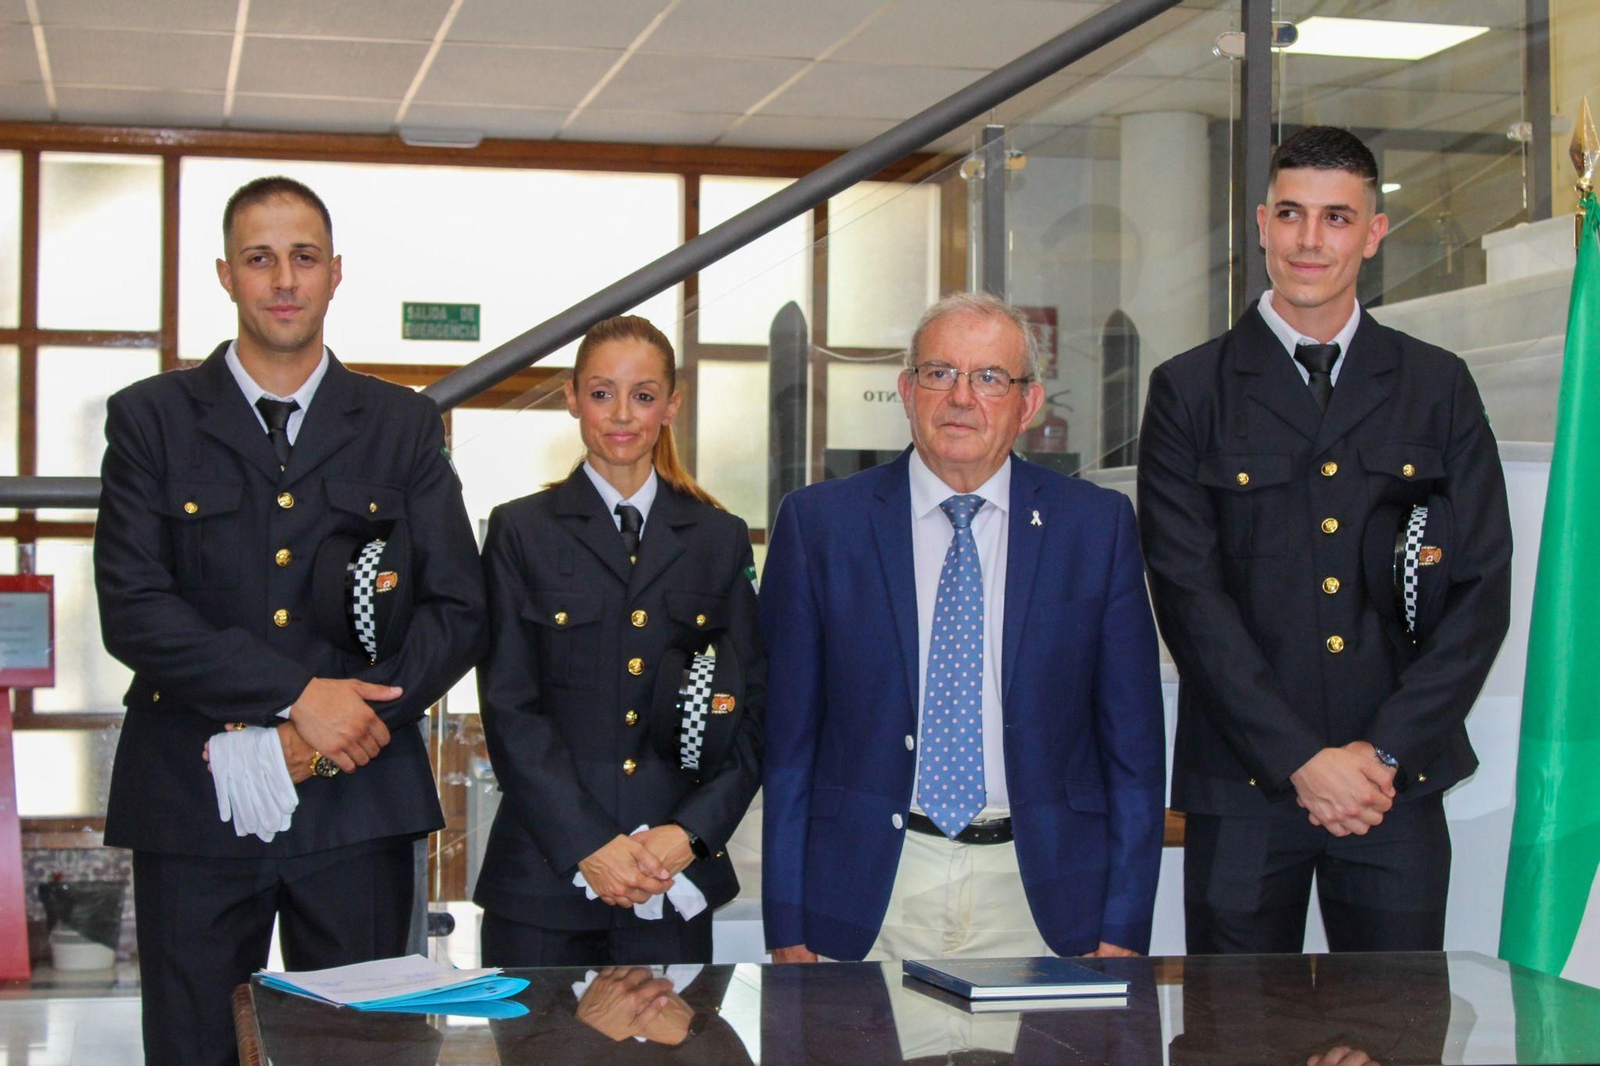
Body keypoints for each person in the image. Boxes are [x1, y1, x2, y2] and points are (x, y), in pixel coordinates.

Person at [94, 176, 487, 1066]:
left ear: (335, 274)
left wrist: (351, 723)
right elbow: (134, 608)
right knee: (193, 1048)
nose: (283, 279)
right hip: (193, 803)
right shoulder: (151, 421)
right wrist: (298, 696)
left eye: (303, 258)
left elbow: (458, 608)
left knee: (366, 1054)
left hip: (357, 797)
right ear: (225, 275)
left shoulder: (403, 424)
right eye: (260, 258)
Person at [1136, 125, 1512, 955]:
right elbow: (1189, 600)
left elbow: (1479, 592)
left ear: (1374, 234)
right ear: (1263, 223)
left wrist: (1379, 755)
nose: (1312, 241)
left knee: (1395, 1035)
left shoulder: (1436, 384)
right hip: (1243, 784)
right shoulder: (1189, 391)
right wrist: (1302, 758)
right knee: (1234, 1039)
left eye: (1338, 218)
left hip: (1395, 791)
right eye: (1294, 215)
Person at [760, 291, 1167, 965]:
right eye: (939, 373)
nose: (960, 397)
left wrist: (1123, 927)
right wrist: (787, 926)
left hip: (1044, 898)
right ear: (905, 390)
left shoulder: (1095, 529)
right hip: (870, 892)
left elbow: (1134, 753)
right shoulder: (819, 526)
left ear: (1028, 404)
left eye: (989, 378)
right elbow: (787, 745)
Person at [475, 315, 764, 967]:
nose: (622, 415)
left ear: (671, 404)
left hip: (671, 881)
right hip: (542, 885)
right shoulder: (521, 531)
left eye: (643, 394)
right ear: (572, 398)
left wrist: (689, 835)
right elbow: (510, 708)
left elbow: (751, 711)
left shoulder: (718, 539)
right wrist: (588, 844)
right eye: (602, 393)